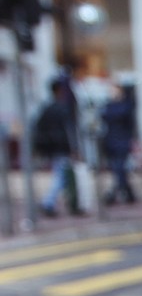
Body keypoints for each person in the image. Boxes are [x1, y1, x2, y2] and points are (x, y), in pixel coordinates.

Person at [33, 78, 83, 217]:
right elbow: (69, 130)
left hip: (52, 148)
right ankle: (48, 202)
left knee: (61, 175)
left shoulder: (47, 108)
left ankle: (68, 203)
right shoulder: (62, 108)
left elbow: (38, 128)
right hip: (62, 148)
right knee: (62, 176)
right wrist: (74, 148)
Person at [101, 82, 137, 205]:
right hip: (111, 140)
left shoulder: (126, 105)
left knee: (119, 167)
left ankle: (115, 193)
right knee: (117, 168)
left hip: (122, 140)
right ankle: (128, 192)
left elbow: (127, 120)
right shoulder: (108, 105)